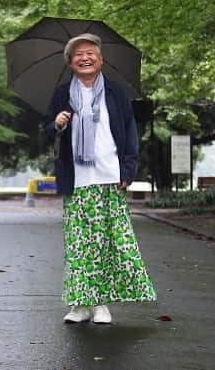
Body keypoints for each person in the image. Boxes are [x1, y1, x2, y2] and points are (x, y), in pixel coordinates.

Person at [45, 33, 156, 324]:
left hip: (109, 176)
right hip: (78, 179)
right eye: (78, 54)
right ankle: (80, 304)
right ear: (70, 63)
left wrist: (129, 169)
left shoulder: (116, 93)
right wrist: (56, 124)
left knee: (108, 242)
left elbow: (130, 130)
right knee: (79, 244)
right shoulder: (61, 93)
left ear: (101, 59)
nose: (85, 57)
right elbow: (47, 129)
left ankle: (102, 304)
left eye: (90, 53)